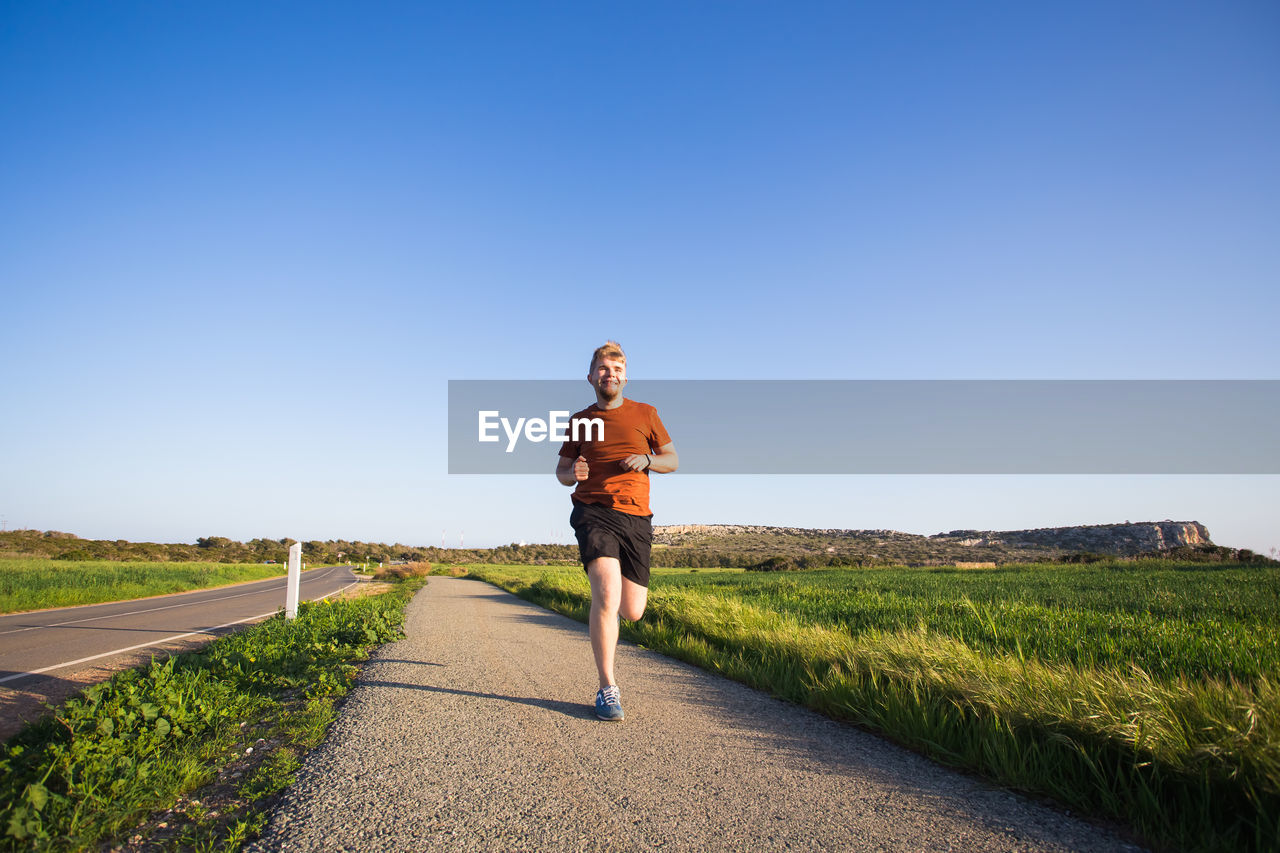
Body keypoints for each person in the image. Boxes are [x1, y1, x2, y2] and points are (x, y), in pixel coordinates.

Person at [555, 341, 678, 721]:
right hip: (593, 511)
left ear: (625, 376)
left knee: (633, 610)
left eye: (617, 369)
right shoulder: (580, 420)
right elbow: (560, 471)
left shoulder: (647, 414)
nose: (611, 375)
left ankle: (607, 618)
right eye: (603, 369)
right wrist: (570, 474)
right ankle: (608, 687)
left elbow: (673, 460)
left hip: (637, 517)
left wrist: (648, 460)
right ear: (591, 376)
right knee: (607, 594)